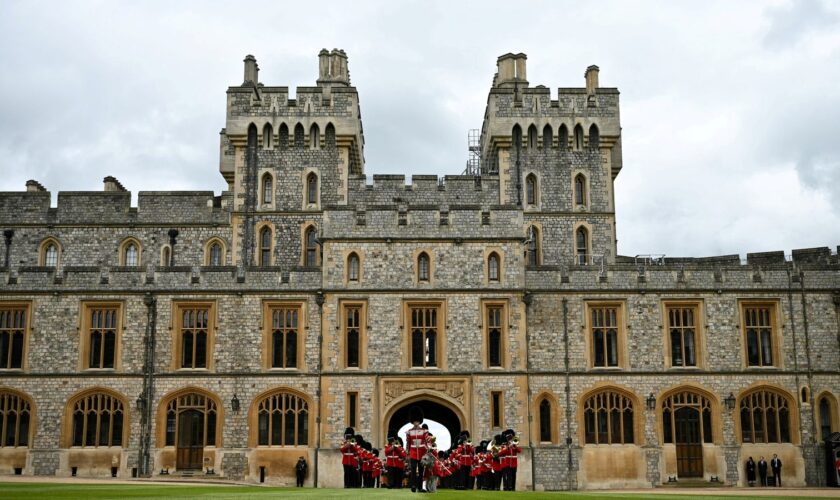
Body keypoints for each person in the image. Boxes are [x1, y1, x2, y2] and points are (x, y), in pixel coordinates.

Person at [405, 406, 429, 493]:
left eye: (417, 421)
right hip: (413, 452)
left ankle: (420, 487)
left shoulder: (424, 431)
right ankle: (413, 485)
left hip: (422, 452)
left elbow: (428, 440)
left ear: (420, 421)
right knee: (414, 470)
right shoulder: (409, 432)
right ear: (412, 421)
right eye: (415, 421)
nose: (416, 423)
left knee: (421, 470)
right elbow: (408, 443)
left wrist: (429, 448)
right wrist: (407, 453)